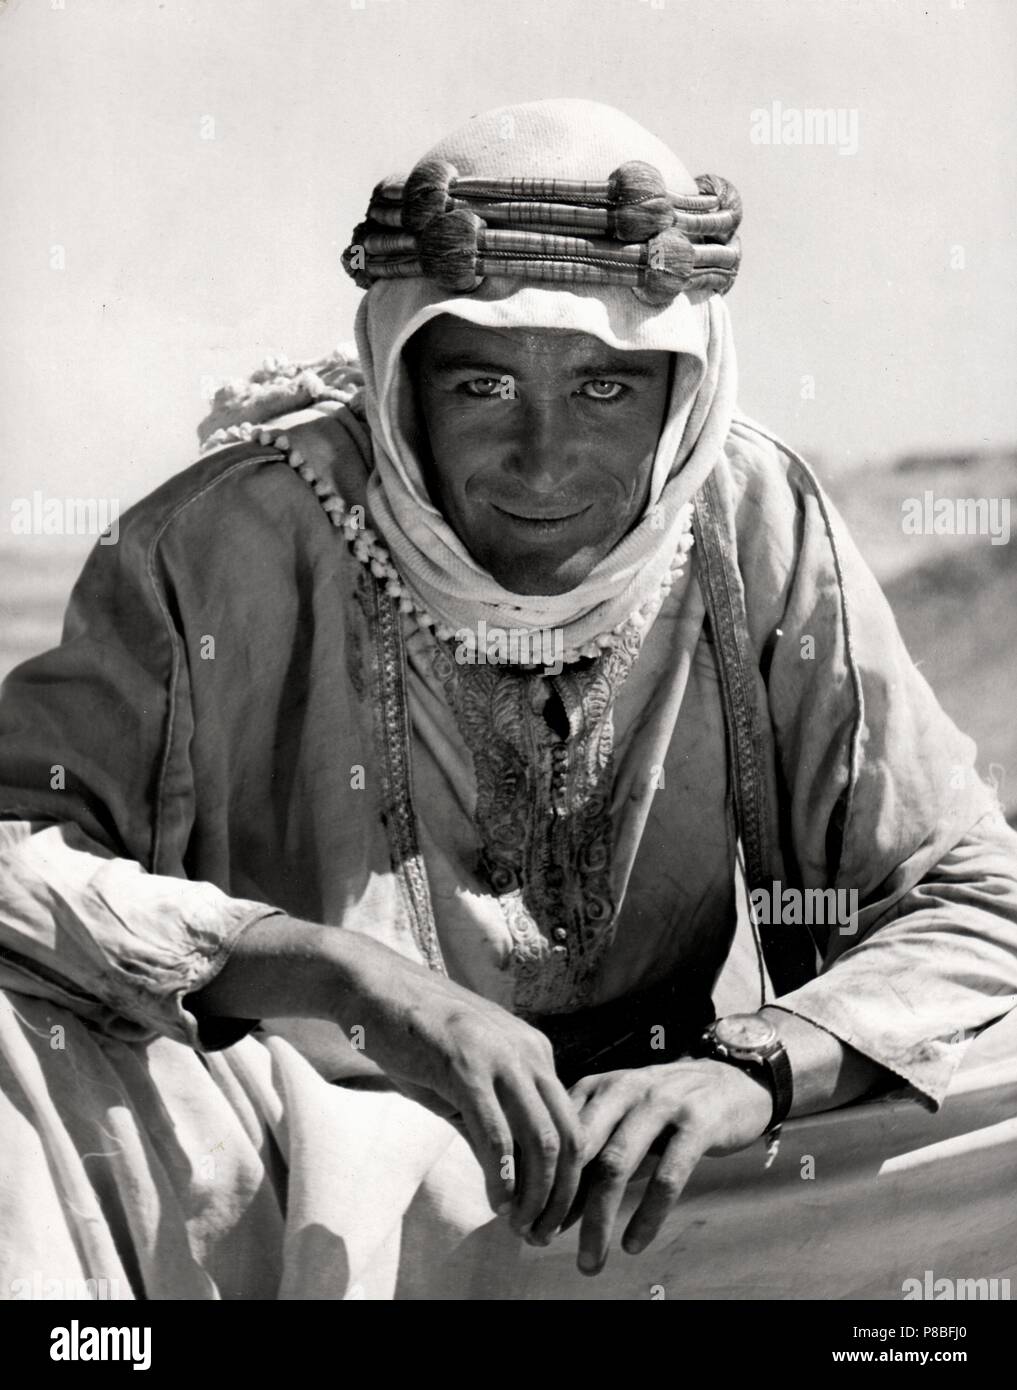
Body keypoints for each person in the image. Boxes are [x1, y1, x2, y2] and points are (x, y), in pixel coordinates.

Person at [1, 98, 1016, 1299]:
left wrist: (754, 1067)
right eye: (483, 386)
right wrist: (343, 977)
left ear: (682, 391)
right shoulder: (214, 544)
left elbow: (969, 895)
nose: (543, 461)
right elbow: (20, 841)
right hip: (288, 1163)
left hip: (650, 1180)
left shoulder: (754, 518)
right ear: (400, 378)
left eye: (606, 391)